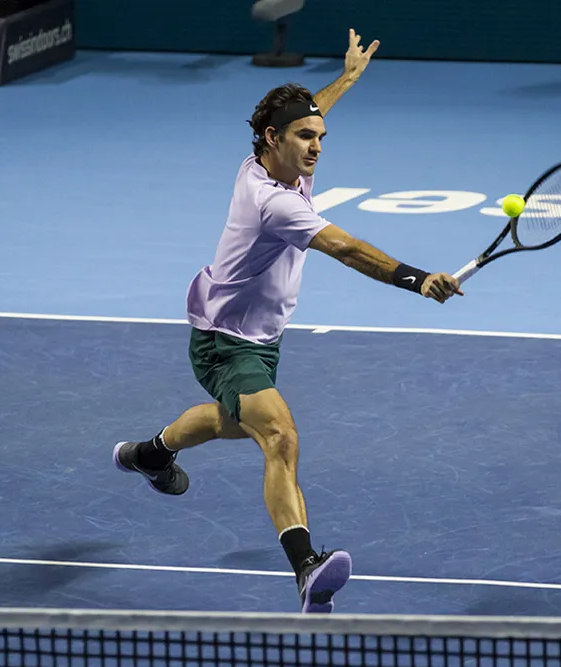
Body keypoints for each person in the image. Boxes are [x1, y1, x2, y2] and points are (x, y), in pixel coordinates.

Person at [112, 29, 463, 614]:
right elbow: (348, 249)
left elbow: (308, 112)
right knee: (279, 435)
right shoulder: (274, 201)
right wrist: (417, 278)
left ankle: (150, 453)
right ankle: (306, 568)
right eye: (305, 136)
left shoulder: (273, 159)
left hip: (261, 338)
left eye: (321, 136)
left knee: (233, 423)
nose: (317, 146)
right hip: (225, 341)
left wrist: (346, 79)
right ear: (274, 138)